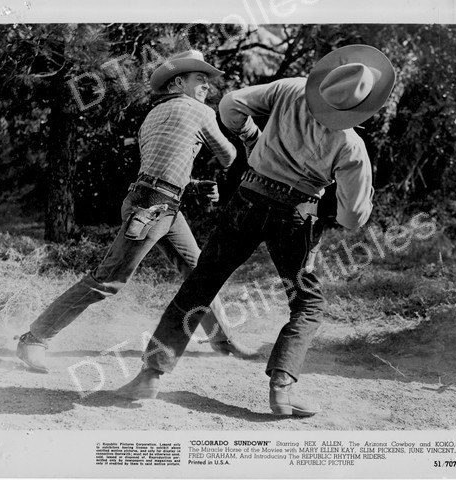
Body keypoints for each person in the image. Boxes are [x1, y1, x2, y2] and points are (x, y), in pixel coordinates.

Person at [116, 45, 396, 416]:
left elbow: (230, 105)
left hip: (247, 198)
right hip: (295, 216)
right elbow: (352, 218)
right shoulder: (351, 145)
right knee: (308, 303)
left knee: (201, 284)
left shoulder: (291, 89)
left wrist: (252, 136)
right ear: (362, 106)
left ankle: (150, 375)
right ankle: (282, 388)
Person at [16, 50, 259, 374]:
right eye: (200, 79)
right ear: (177, 83)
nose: (207, 86)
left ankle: (222, 340)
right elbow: (228, 157)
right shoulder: (199, 110)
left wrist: (192, 185)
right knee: (108, 280)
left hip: (153, 201)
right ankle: (34, 339)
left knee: (200, 272)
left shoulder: (152, 117)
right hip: (154, 207)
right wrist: (245, 132)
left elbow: (158, 171)